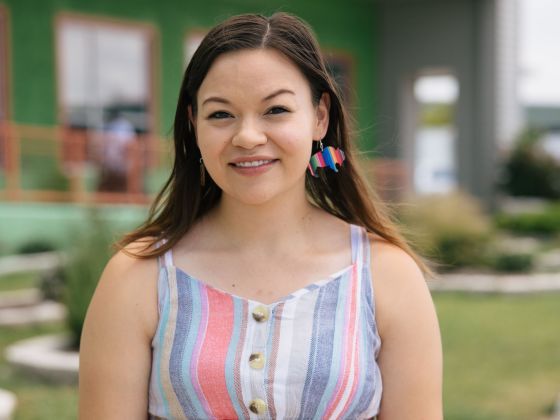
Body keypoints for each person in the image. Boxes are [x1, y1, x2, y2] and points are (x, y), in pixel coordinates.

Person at [79, 12, 442, 420]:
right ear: (192, 123)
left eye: (275, 110)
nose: (248, 136)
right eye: (221, 114)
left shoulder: (387, 274)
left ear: (320, 116)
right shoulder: (136, 276)